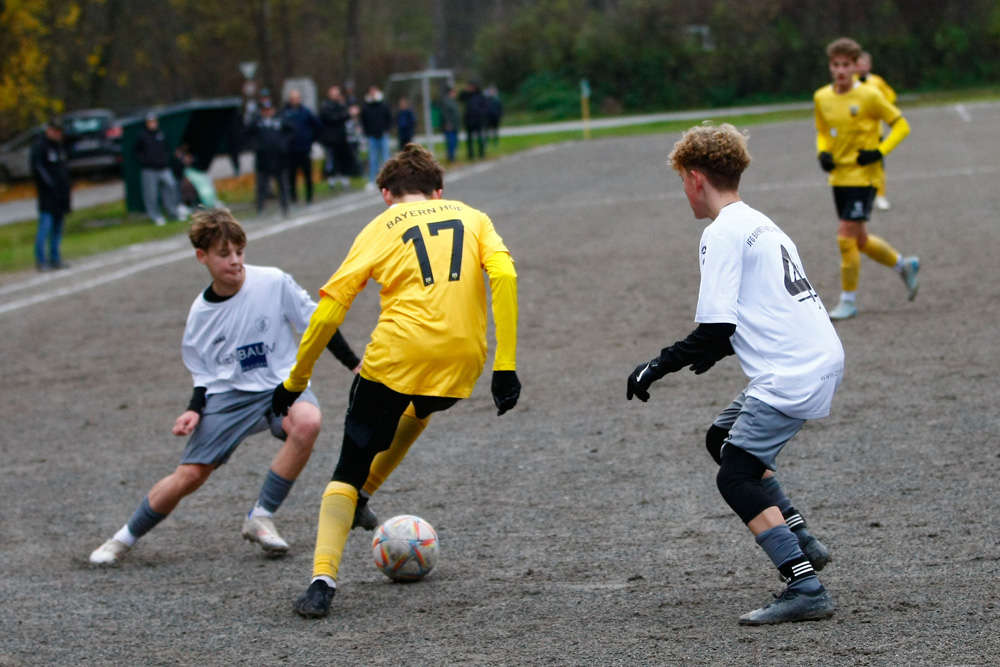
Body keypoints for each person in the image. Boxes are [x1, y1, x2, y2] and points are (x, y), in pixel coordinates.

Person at [272, 144, 521, 618]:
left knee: (346, 467)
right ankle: (367, 492)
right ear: (439, 191)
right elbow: (504, 275)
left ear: (387, 195)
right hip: (462, 360)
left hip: (397, 355)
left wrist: (295, 379)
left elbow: (330, 307)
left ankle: (322, 581)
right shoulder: (474, 216)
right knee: (422, 406)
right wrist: (505, 365)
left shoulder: (380, 225)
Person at [626, 123, 844, 625]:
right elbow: (752, 314)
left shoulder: (720, 232)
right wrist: (718, 350)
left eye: (682, 179)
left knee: (736, 476)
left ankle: (804, 584)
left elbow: (716, 325)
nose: (684, 190)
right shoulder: (758, 221)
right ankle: (802, 539)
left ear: (695, 178)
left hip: (793, 371)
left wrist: (656, 366)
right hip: (814, 358)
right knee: (723, 436)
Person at [89, 209, 361, 567]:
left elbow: (319, 323)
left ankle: (260, 516)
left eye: (239, 251)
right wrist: (193, 409)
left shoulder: (273, 282)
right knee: (190, 475)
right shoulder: (201, 315)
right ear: (202, 256)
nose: (234, 261)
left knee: (308, 421)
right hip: (231, 395)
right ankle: (122, 538)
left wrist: (354, 364)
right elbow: (203, 372)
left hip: (281, 385)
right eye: (223, 254)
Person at [814, 37, 919, 320]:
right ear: (830, 67)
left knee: (845, 238)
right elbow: (822, 131)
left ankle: (848, 301)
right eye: (835, 65)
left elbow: (901, 125)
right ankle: (904, 265)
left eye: (846, 65)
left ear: (855, 67)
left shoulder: (870, 95)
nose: (840, 71)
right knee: (859, 239)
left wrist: (879, 151)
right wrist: (823, 152)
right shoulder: (822, 97)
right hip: (839, 178)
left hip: (865, 177)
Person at [856, 50, 897, 211]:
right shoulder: (850, 83)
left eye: (865, 63)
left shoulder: (877, 81)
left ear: (870, 65)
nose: (862, 66)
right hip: (855, 133)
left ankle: (880, 195)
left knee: (878, 167)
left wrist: (881, 107)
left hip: (874, 132)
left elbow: (891, 96)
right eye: (859, 63)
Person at [30, 118, 72, 271]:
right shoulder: (40, 148)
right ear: (49, 131)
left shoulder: (59, 147)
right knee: (45, 228)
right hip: (48, 196)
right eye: (56, 131)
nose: (59, 134)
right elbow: (39, 171)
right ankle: (41, 260)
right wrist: (51, 187)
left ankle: (55, 258)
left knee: (57, 230)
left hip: (61, 196)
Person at [133, 112, 185, 226]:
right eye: (150, 122)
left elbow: (167, 148)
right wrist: (146, 161)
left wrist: (165, 160)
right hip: (149, 170)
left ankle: (174, 213)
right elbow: (137, 152)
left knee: (171, 187)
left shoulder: (161, 134)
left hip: (164, 168)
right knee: (151, 194)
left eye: (154, 121)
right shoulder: (142, 136)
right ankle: (155, 216)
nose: (152, 124)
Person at [246, 99, 292, 217]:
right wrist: (256, 146)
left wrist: (284, 145)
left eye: (269, 110)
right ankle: (260, 208)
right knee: (262, 185)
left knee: (282, 184)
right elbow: (248, 134)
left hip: (279, 158)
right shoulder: (257, 122)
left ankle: (285, 206)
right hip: (263, 159)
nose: (267, 112)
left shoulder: (280, 121)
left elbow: (291, 131)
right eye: (264, 110)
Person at [282, 89, 321, 205]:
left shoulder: (306, 112)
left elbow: (317, 126)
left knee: (307, 174)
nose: (295, 100)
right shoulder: (285, 113)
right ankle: (293, 197)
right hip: (290, 150)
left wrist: (311, 139)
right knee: (291, 176)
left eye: (297, 97)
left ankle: (309, 197)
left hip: (304, 149)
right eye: (293, 98)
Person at [319, 85, 358, 190]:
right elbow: (332, 118)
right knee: (332, 160)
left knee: (343, 158)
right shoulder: (326, 106)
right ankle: (331, 180)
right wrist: (347, 113)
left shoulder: (341, 104)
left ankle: (344, 179)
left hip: (342, 137)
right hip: (331, 139)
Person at [360, 86, 392, 191]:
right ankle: (372, 180)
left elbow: (388, 118)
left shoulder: (383, 104)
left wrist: (387, 129)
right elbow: (364, 120)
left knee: (386, 158)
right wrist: (367, 132)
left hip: (382, 134)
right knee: (372, 159)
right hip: (372, 136)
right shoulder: (366, 106)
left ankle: (389, 180)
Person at [459, 80, 487, 160]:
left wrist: (482, 116)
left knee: (480, 137)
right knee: (469, 139)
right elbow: (460, 97)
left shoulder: (480, 95)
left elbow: (485, 107)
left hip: (478, 119)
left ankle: (481, 153)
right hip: (469, 119)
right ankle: (470, 154)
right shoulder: (468, 95)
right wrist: (466, 90)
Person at [439, 86, 461, 163]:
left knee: (455, 142)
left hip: (455, 125)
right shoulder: (445, 102)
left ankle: (453, 156)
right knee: (450, 142)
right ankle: (451, 157)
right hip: (450, 126)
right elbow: (445, 114)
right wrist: (447, 123)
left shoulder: (453, 101)